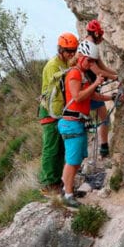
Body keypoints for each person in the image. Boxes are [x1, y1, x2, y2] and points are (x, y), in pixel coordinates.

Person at [59, 41, 117, 208]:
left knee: (76, 159)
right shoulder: (75, 74)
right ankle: (68, 194)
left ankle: (67, 189)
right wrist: (95, 84)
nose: (92, 64)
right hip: (71, 123)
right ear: (82, 58)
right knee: (72, 160)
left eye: (93, 61)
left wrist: (110, 98)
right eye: (89, 61)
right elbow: (77, 97)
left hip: (76, 123)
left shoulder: (82, 74)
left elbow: (92, 97)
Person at [38, 33, 77, 193]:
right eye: (69, 51)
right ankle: (48, 183)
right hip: (50, 111)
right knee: (51, 148)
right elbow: (56, 86)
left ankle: (58, 181)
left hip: (60, 110)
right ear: (61, 50)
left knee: (61, 148)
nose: (72, 54)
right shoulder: (52, 65)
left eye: (74, 50)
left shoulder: (64, 62)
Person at [82, 19, 119, 158]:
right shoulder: (88, 47)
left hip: (91, 88)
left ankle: (103, 147)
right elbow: (98, 71)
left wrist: (116, 74)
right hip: (86, 89)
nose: (102, 38)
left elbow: (102, 67)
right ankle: (87, 153)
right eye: (101, 34)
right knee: (92, 121)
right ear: (96, 33)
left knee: (104, 118)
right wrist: (114, 78)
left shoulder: (91, 46)